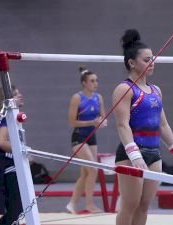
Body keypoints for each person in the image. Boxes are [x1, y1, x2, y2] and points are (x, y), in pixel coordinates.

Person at [112, 29, 173, 225]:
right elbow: (122, 125)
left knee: (144, 206)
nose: (152, 63)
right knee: (130, 205)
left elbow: (162, 125)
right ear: (132, 63)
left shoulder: (156, 91)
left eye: (152, 59)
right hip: (131, 155)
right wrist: (134, 155)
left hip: (154, 154)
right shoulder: (125, 89)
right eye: (147, 60)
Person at [66, 66, 107, 214]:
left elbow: (102, 117)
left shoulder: (98, 97)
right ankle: (89, 204)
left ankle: (72, 203)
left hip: (92, 138)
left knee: (86, 173)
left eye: (96, 80)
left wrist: (102, 122)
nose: (96, 83)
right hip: (79, 137)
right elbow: (72, 122)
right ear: (84, 83)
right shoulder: (77, 98)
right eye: (92, 81)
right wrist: (92, 122)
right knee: (93, 169)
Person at [0, 85, 24, 225]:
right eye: (15, 94)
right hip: (5, 167)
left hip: (9, 165)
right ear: (7, 101)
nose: (20, 95)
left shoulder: (12, 117)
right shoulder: (7, 117)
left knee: (16, 210)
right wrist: (22, 149)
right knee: (16, 209)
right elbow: (1, 142)